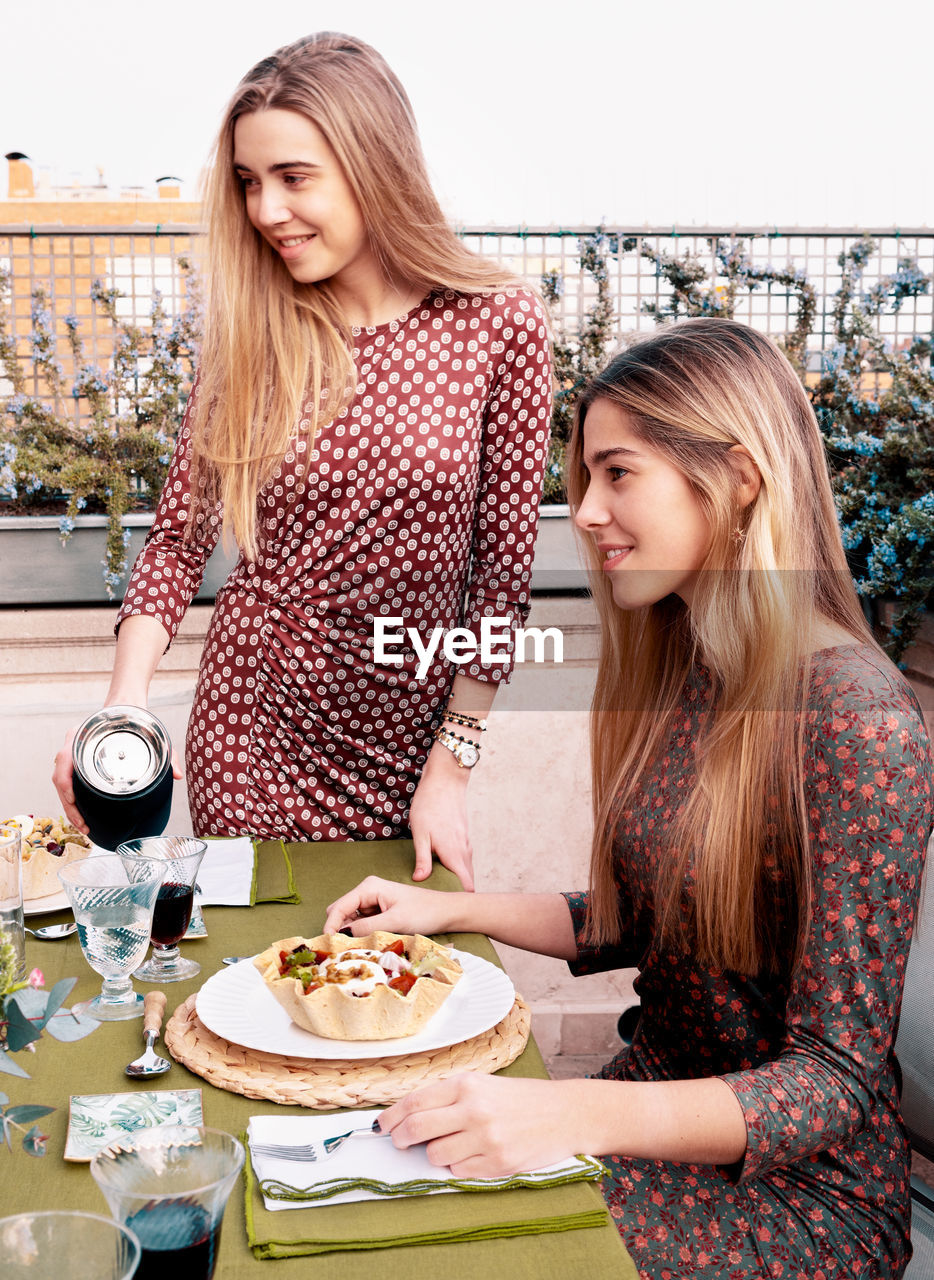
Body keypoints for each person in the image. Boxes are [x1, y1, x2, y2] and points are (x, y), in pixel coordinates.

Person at [323, 319, 934, 1279]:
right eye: (585, 480)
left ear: (737, 477)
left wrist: (569, 1114)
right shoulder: (691, 668)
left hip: (797, 1197)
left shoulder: (859, 718)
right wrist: (448, 909)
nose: (587, 511)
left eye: (618, 474)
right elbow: (638, 924)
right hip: (642, 1114)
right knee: (366, 1184)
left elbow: (833, 1083)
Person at [52, 33, 553, 890]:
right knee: (257, 985)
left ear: (374, 164)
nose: (266, 211)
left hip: (408, 744)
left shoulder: (499, 323)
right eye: (249, 183)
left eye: (293, 177)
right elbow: (177, 542)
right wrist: (124, 705)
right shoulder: (252, 332)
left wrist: (452, 768)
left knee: (397, 993)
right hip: (253, 723)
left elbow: (498, 583)